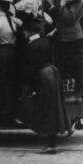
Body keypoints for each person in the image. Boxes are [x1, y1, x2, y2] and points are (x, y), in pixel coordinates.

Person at [18, 17, 70, 153]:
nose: (23, 34)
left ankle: (51, 145)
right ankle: (51, 142)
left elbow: (32, 68)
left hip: (42, 76)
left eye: (24, 32)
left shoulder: (30, 47)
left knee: (46, 108)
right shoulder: (46, 41)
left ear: (28, 32)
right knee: (53, 107)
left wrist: (30, 87)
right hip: (52, 73)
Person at [55, 0, 83, 103]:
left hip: (73, 38)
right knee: (66, 65)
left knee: (77, 66)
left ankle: (79, 94)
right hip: (66, 37)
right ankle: (78, 94)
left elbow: (70, 19)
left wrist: (62, 6)